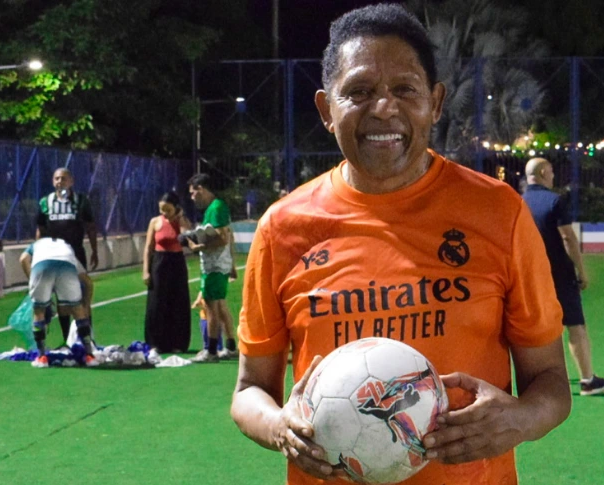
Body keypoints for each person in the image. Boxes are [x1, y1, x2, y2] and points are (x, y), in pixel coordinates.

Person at [230, 6, 571, 484]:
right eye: (360, 92)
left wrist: (522, 418)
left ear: (434, 102)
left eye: (404, 90)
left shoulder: (498, 212)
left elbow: (551, 383)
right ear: (327, 110)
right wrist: (279, 427)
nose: (384, 108)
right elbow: (249, 391)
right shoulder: (283, 228)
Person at [522, 158, 604, 396]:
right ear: (543, 172)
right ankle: (588, 379)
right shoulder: (555, 201)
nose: (553, 176)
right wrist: (581, 270)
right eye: (552, 172)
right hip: (559, 274)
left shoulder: (516, 201)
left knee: (536, 330)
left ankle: (535, 383)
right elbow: (568, 238)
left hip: (528, 276)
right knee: (575, 326)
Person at [36, 168, 98, 344]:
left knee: (82, 294)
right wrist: (38, 251)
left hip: (75, 253)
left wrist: (94, 250)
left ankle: (88, 337)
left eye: (63, 178)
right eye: (56, 178)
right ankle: (66, 340)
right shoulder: (45, 202)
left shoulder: (80, 201)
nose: (59, 182)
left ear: (71, 181)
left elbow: (91, 226)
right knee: (62, 299)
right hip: (53, 254)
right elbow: (40, 229)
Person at [19, 237, 97, 368]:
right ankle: (89, 355)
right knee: (77, 310)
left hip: (41, 266)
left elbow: (23, 259)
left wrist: (32, 280)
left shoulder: (36, 245)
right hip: (66, 267)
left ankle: (42, 357)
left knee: (39, 312)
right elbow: (87, 281)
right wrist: (86, 304)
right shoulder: (67, 248)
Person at [187, 173, 236, 362]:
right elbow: (227, 236)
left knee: (210, 306)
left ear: (202, 189)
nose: (192, 197)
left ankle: (212, 350)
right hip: (217, 264)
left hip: (214, 265)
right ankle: (230, 345)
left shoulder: (216, 208)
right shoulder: (215, 208)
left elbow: (222, 238)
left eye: (193, 193)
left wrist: (199, 247)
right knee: (220, 305)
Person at [142, 192, 192, 353]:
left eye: (168, 210)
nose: (164, 213)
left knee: (178, 301)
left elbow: (187, 236)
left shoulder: (181, 221)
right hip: (159, 262)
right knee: (156, 303)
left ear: (176, 208)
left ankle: (177, 342)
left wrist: (180, 218)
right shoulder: (155, 222)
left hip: (177, 262)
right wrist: (146, 271)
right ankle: (155, 343)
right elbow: (148, 247)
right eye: (162, 209)